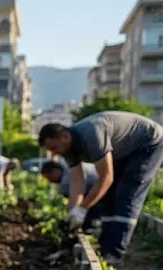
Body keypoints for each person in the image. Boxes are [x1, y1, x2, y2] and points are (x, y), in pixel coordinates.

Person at [38, 111, 163, 260]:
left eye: (54, 147)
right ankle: (105, 248)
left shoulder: (93, 135)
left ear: (65, 136)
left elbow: (106, 178)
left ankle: (114, 254)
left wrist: (83, 209)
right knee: (108, 197)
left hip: (149, 142)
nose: (55, 153)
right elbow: (77, 182)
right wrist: (73, 212)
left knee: (127, 195)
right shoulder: (67, 149)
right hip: (124, 150)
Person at [41, 159, 101, 229]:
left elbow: (74, 203)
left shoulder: (66, 181)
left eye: (49, 177)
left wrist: (67, 219)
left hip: (100, 191)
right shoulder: (70, 169)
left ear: (55, 171)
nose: (50, 181)